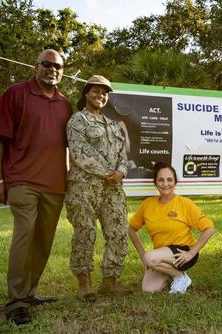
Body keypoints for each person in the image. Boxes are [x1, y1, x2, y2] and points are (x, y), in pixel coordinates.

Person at [0, 49, 72, 325]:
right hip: (22, 180)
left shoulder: (65, 103)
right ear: (35, 66)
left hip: (55, 184)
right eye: (47, 64)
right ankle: (16, 301)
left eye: (58, 66)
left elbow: (70, 146)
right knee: (24, 235)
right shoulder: (15, 94)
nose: (53, 70)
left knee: (43, 241)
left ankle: (30, 292)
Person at [65, 75, 131, 302]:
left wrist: (121, 171)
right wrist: (108, 173)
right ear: (86, 93)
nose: (100, 95)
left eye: (104, 92)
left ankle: (109, 282)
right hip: (84, 187)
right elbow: (80, 152)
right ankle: (84, 284)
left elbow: (123, 154)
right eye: (95, 91)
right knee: (85, 232)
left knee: (119, 233)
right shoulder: (77, 121)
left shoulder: (113, 125)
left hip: (112, 188)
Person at [128, 163, 215, 294]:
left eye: (169, 180)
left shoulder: (185, 203)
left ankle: (180, 277)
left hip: (183, 252)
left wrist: (191, 253)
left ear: (175, 182)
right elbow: (131, 229)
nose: (165, 184)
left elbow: (209, 228)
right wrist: (142, 255)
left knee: (150, 258)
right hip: (161, 254)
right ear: (155, 183)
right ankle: (172, 273)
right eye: (161, 180)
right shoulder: (148, 204)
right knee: (148, 289)